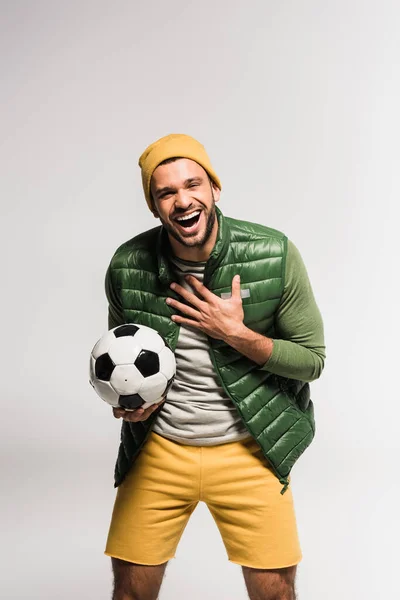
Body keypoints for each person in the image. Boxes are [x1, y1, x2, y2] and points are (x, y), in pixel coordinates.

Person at [103, 133, 326, 600]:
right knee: (130, 594)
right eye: (166, 192)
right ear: (155, 205)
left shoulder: (274, 253)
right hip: (159, 451)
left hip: (250, 449)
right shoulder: (128, 265)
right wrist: (130, 406)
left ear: (214, 190)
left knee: (275, 594)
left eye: (193, 185)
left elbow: (311, 362)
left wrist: (236, 334)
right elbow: (120, 359)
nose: (183, 200)